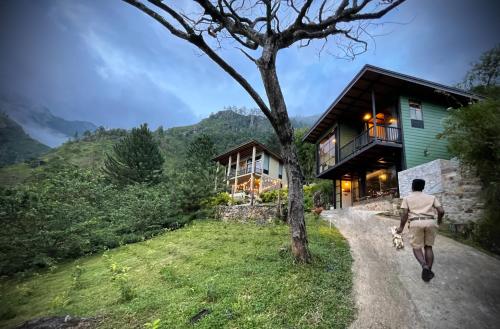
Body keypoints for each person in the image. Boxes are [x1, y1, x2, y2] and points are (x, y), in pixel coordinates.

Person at [396, 179, 445, 282]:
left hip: (416, 223)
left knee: (417, 247)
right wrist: (439, 221)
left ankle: (424, 266)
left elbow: (404, 214)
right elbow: (441, 211)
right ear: (423, 187)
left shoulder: (407, 198)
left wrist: (401, 228)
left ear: (412, 187)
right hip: (430, 222)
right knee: (428, 246)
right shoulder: (431, 197)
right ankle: (428, 272)